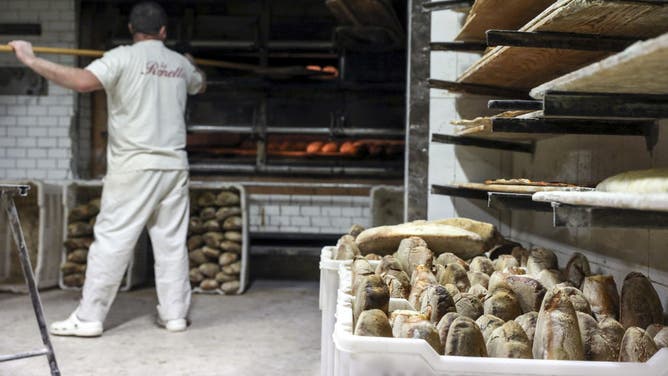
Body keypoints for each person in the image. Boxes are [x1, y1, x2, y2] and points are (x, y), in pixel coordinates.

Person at [9, 1, 206, 336]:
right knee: (171, 243)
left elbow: (83, 81)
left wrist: (30, 59)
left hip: (134, 167)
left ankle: (89, 319)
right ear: (163, 31)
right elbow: (199, 82)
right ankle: (175, 315)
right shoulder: (178, 64)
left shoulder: (121, 57)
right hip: (173, 167)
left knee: (112, 241)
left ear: (132, 30)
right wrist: (190, 63)